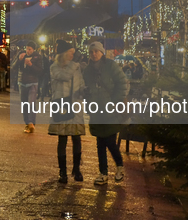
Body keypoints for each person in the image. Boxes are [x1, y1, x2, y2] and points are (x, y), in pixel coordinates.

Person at [83, 41, 128, 185]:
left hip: (110, 111)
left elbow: (122, 83)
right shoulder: (87, 70)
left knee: (109, 141)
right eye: (91, 52)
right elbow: (84, 87)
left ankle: (120, 167)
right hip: (96, 111)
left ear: (102, 52)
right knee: (100, 143)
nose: (94, 54)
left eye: (96, 51)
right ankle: (103, 173)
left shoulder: (111, 66)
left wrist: (114, 102)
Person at [48, 40, 85, 184]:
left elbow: (80, 83)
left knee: (76, 138)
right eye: (71, 52)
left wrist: (83, 90)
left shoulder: (76, 68)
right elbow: (64, 77)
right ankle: (62, 171)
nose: (73, 55)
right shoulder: (54, 67)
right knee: (62, 139)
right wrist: (74, 65)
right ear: (64, 53)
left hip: (75, 107)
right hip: (61, 106)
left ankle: (76, 169)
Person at [12, 41, 43, 133]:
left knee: (31, 103)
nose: (28, 51)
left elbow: (40, 71)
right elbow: (13, 67)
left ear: (34, 49)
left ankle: (31, 123)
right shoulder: (21, 55)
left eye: (30, 49)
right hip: (22, 83)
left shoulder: (38, 57)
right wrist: (19, 59)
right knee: (24, 104)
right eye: (27, 48)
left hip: (32, 83)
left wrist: (31, 65)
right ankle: (27, 124)